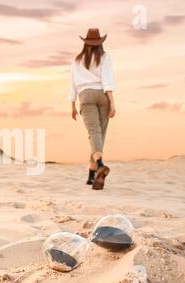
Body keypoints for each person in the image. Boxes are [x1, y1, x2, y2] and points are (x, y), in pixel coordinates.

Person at [69, 28, 116, 190]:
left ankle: (94, 172)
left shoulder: (77, 60)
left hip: (85, 96)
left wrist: (72, 105)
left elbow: (72, 84)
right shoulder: (105, 57)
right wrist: (113, 103)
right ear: (100, 43)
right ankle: (97, 169)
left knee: (94, 134)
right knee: (99, 135)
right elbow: (108, 81)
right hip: (102, 95)